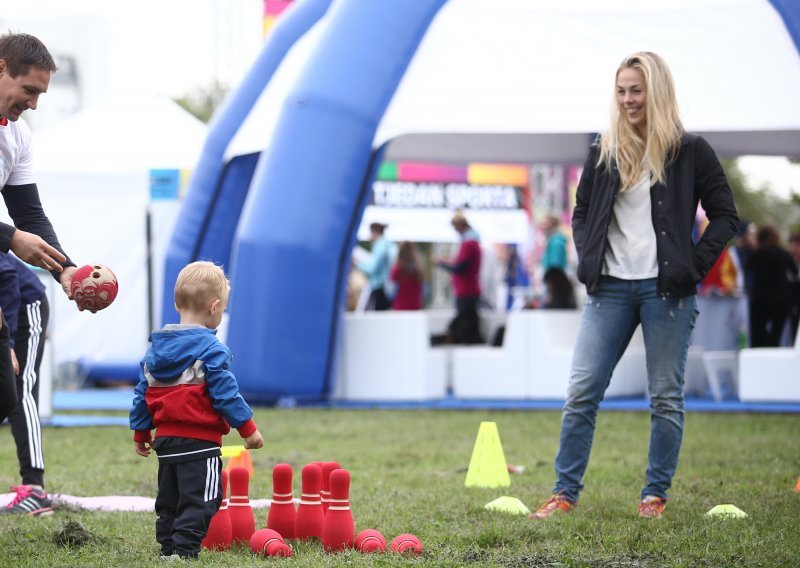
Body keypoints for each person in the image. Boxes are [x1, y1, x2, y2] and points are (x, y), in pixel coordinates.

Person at [530, 52, 738, 521]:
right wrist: (587, 261)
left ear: (656, 91)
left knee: (665, 396)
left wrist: (693, 266)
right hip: (610, 290)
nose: (627, 99)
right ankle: (564, 494)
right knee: (581, 392)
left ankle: (654, 496)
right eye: (621, 90)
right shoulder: (603, 150)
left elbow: (726, 216)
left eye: (636, 90)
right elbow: (581, 213)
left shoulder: (691, 151)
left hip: (667, 292)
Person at [130, 261, 264, 560]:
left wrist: (141, 432)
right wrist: (248, 429)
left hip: (165, 442)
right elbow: (226, 394)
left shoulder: (154, 350)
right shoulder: (212, 349)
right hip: (200, 443)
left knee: (170, 499)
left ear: (177, 303)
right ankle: (185, 551)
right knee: (204, 499)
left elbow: (141, 393)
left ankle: (168, 550)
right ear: (215, 307)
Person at [0, 32, 82, 515]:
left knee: (6, 394)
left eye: (39, 96)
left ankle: (33, 488)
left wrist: (68, 273)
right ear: (1, 67)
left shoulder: (17, 137)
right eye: (28, 91)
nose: (32, 104)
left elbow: (30, 217)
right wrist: (10, 238)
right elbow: (18, 233)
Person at [0, 254, 50, 516]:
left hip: (22, 308)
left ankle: (35, 489)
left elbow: (6, 275)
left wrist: (5, 342)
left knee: (21, 389)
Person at [745, 225, 798, 347]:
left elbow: (746, 269)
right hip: (780, 299)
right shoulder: (784, 254)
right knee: (776, 336)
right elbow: (794, 271)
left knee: (758, 337)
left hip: (760, 299)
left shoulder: (756, 254)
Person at [435, 211, 483, 344]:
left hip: (467, 289)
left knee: (465, 320)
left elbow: (461, 268)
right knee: (470, 320)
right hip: (468, 288)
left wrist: (443, 264)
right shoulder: (471, 243)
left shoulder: (469, 244)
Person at [354, 222, 393, 311]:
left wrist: (357, 263)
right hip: (383, 288)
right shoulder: (386, 245)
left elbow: (371, 270)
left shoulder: (380, 247)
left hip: (379, 288)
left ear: (375, 232)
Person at [390, 241, 424, 310]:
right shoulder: (418, 268)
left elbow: (392, 280)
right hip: (415, 305)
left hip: (401, 305)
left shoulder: (398, 268)